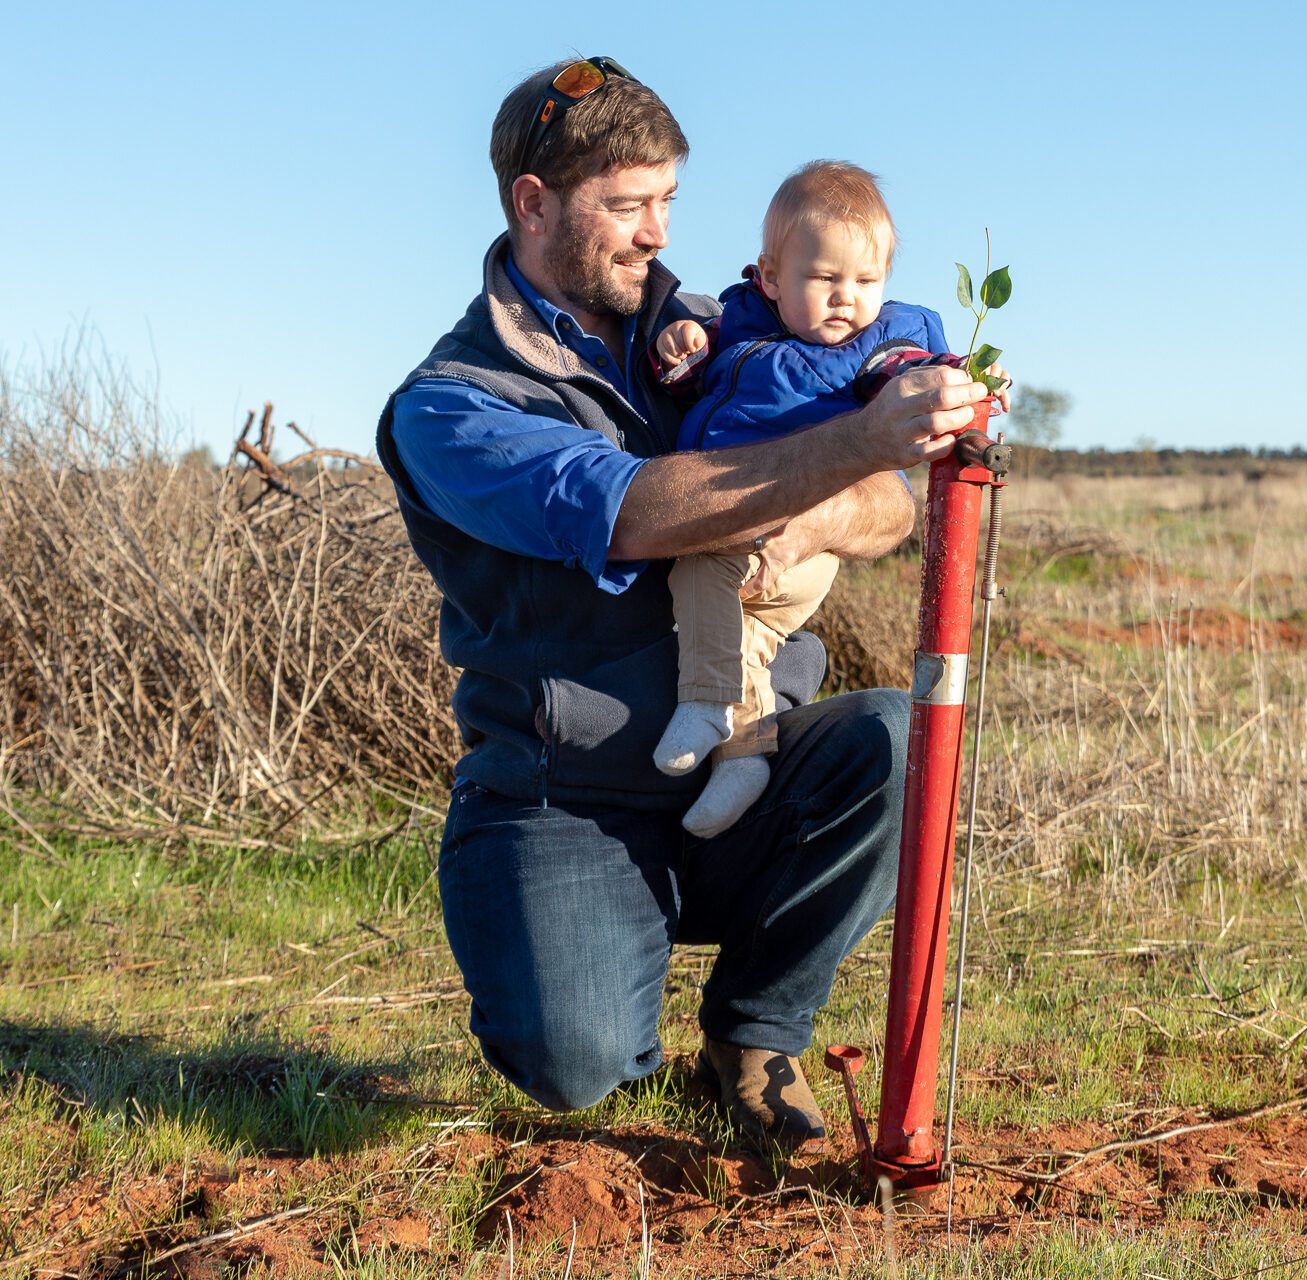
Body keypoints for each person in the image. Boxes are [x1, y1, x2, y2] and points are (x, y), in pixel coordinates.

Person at [373, 58, 994, 1146]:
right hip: (571, 794)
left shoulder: (717, 337)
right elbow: (630, 510)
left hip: (745, 757)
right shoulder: (453, 405)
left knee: (889, 739)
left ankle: (755, 1032)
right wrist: (847, 444)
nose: (658, 233)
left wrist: (818, 507)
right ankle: (592, 953)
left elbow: (890, 509)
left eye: (667, 201)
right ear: (532, 203)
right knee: (574, 1068)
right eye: (626, 206)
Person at [648, 161, 1010, 841]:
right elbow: (692, 386)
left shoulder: (878, 348)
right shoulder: (738, 330)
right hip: (734, 513)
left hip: (800, 533)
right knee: (740, 637)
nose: (847, 299)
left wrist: (964, 378)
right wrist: (681, 351)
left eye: (866, 281)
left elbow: (910, 376)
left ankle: (702, 704)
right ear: (771, 277)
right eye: (824, 279)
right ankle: (743, 756)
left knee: (702, 569)